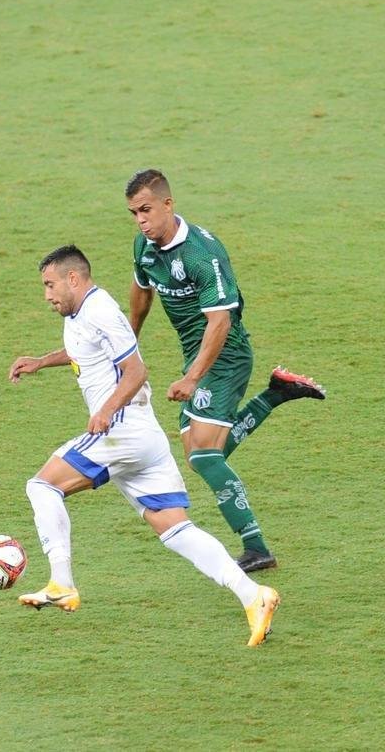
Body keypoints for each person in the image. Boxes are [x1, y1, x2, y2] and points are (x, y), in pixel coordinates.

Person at [9, 245, 280, 647]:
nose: (47, 295)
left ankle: (61, 582)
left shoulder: (100, 310)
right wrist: (41, 361)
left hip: (121, 430)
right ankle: (254, 596)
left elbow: (136, 371)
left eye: (50, 285)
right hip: (143, 437)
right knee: (176, 530)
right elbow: (85, 350)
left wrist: (106, 411)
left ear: (73, 279)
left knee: (42, 486)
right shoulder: (81, 314)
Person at [125, 169, 326, 573]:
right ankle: (276, 394)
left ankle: (256, 547)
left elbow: (220, 322)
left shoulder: (203, 254)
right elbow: (141, 292)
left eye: (146, 210)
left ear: (168, 204)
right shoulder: (144, 246)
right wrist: (129, 344)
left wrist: (192, 378)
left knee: (203, 457)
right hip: (196, 354)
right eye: (134, 213)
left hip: (226, 355)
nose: (141, 220)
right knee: (200, 454)